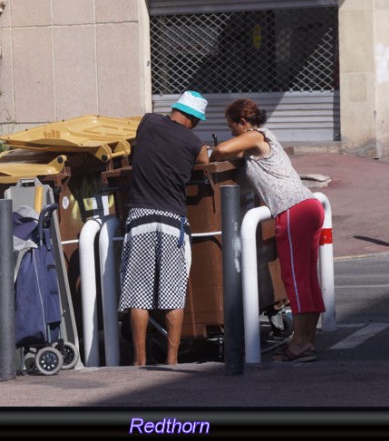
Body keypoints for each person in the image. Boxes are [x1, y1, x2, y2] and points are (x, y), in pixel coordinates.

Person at [210, 98, 325, 362]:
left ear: (242, 122)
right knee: (307, 279)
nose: (232, 133)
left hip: (293, 210)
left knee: (295, 280)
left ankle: (299, 344)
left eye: (232, 127)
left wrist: (217, 151)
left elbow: (222, 150)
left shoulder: (255, 136)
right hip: (309, 207)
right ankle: (308, 341)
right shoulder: (264, 141)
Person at [117, 90, 210, 366]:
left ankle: (140, 360)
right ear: (192, 119)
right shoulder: (194, 143)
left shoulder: (148, 123)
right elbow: (205, 161)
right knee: (173, 294)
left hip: (140, 218)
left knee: (138, 294)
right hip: (172, 221)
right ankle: (171, 360)